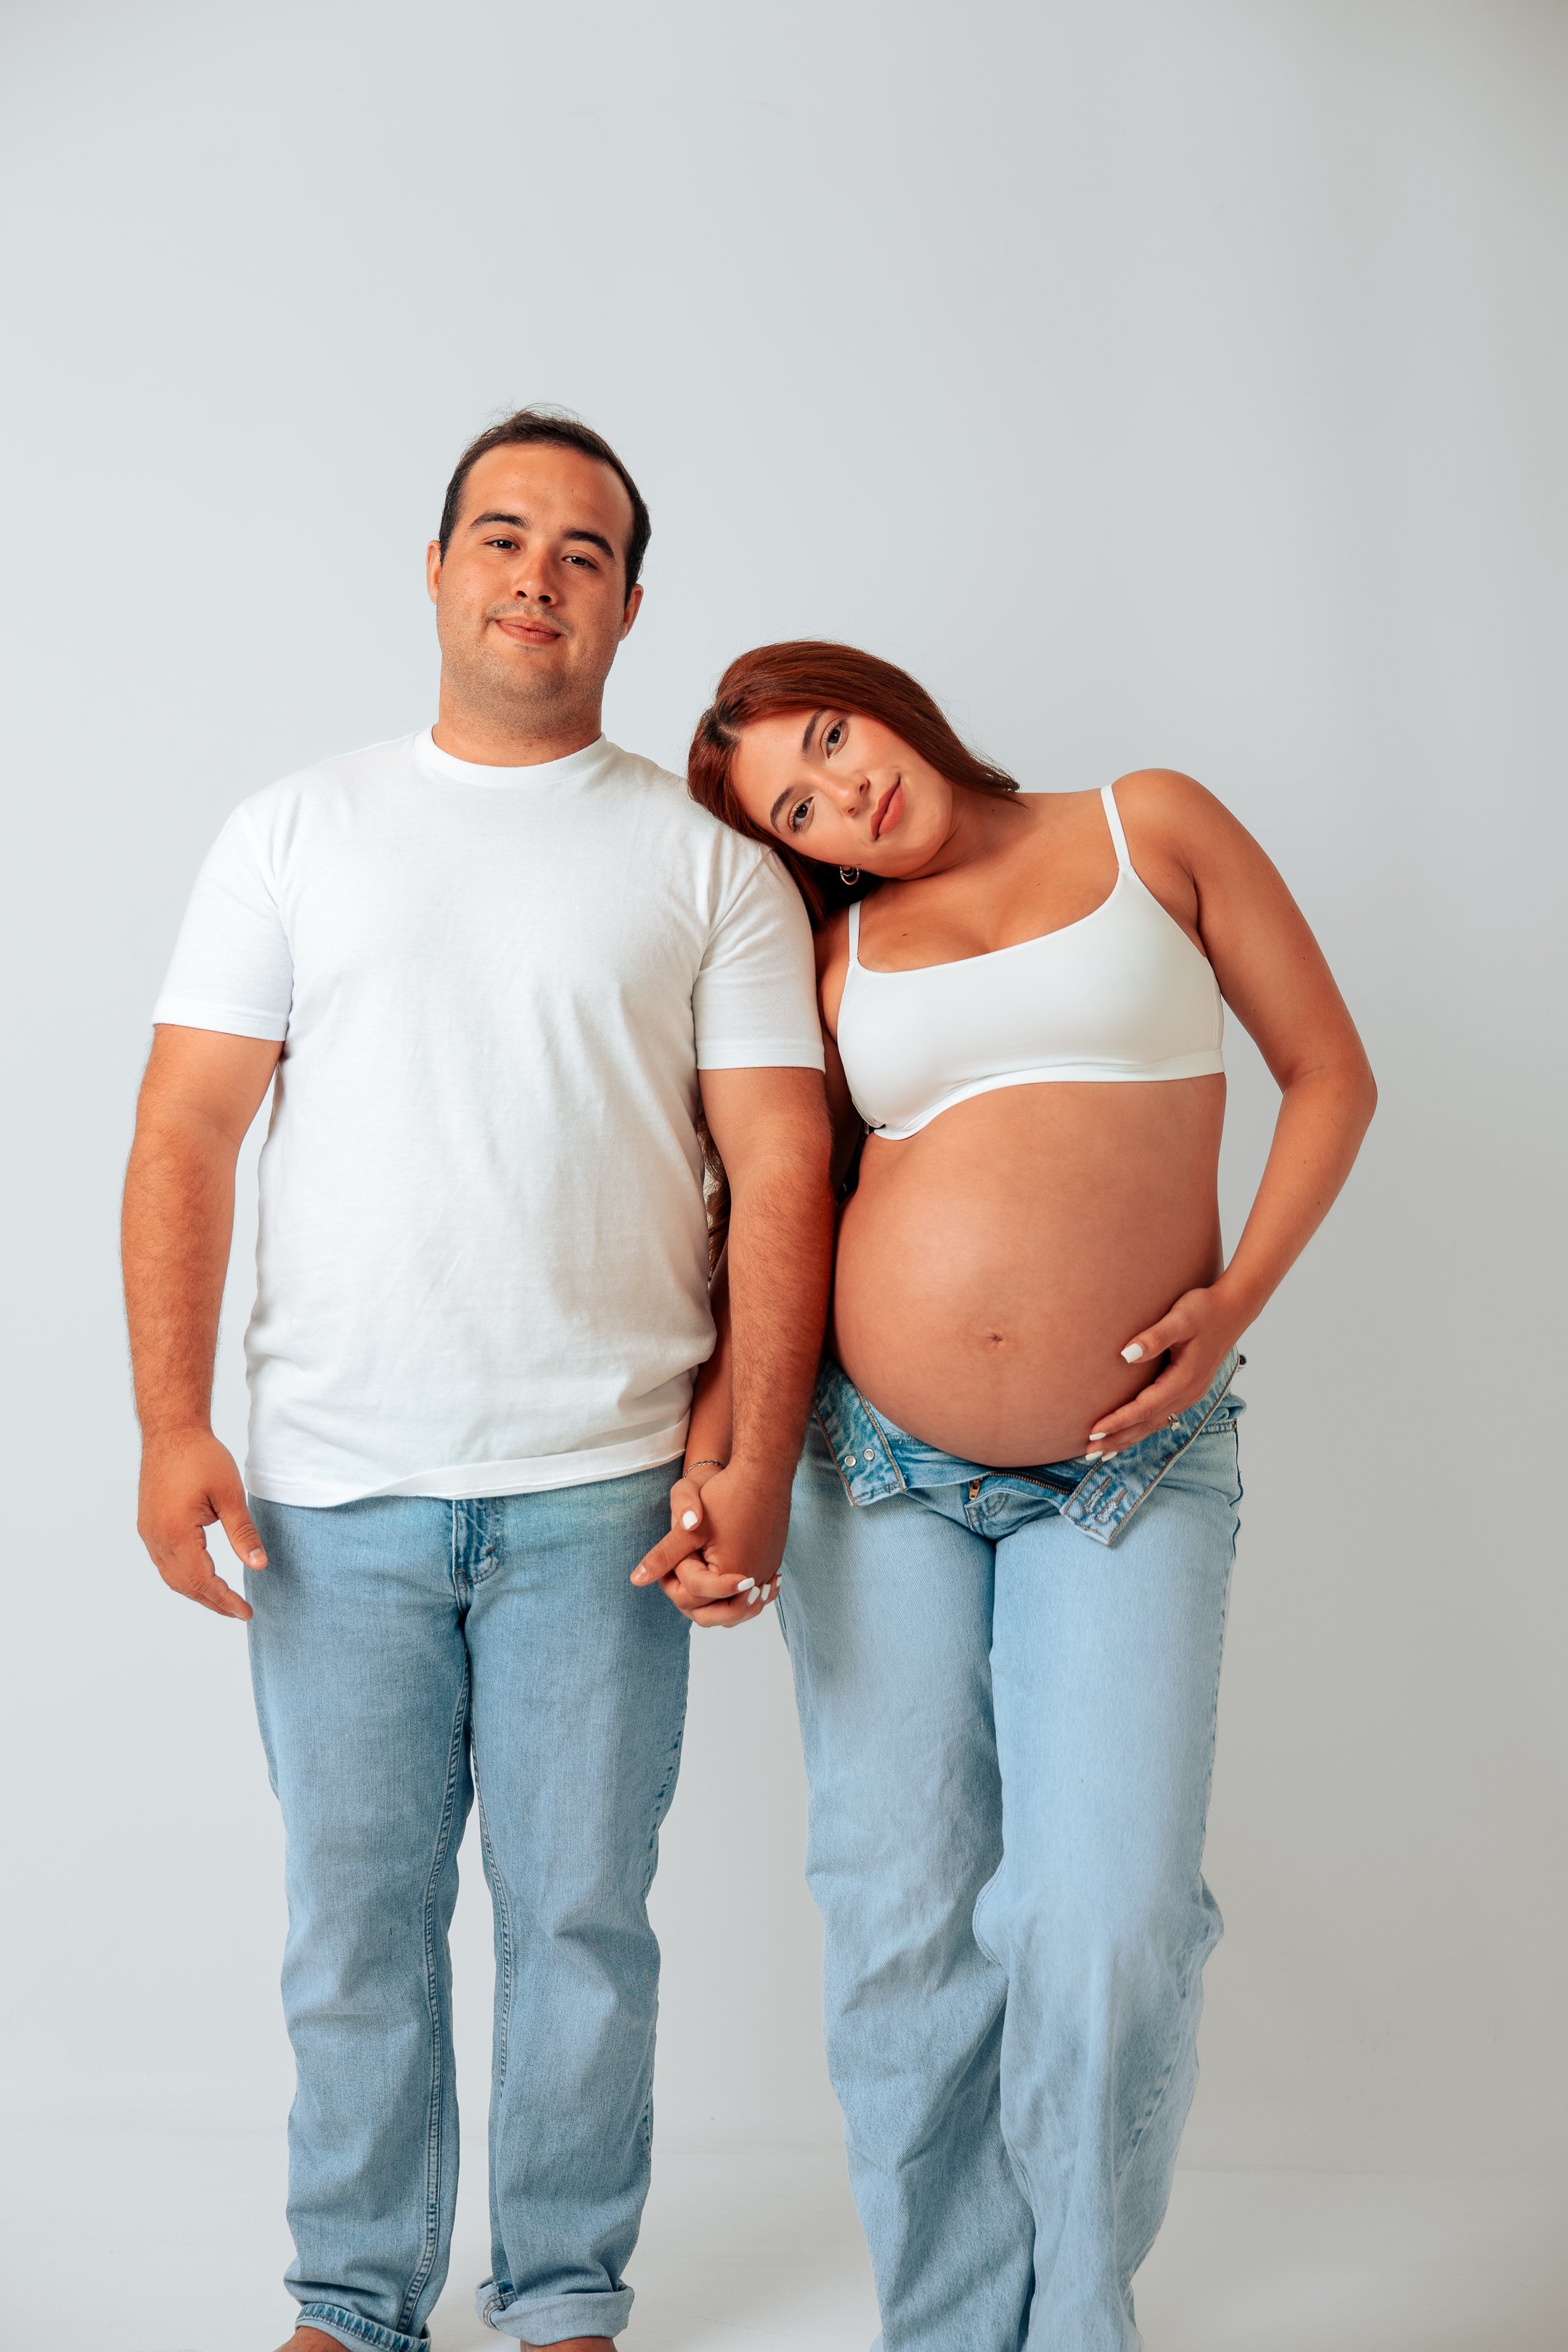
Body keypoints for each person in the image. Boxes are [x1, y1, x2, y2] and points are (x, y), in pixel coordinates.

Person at [121, 422, 833, 2352]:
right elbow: (190, 1128)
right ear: (432, 571)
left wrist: (756, 1452)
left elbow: (784, 1169)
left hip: (605, 1498)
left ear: (625, 604)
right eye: (502, 537)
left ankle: (568, 2299)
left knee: (582, 1934)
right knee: (355, 1943)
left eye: (585, 551)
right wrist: (172, 1419)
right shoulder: (293, 831)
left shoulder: (709, 873)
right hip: (330, 1497)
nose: (539, 572)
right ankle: (352, 2308)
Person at [635, 641, 1376, 2351]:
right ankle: (955, 2328)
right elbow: (772, 1217)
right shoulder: (828, 958)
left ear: (879, 696)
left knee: (1103, 1918)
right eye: (799, 807)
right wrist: (720, 1458)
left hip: (1131, 1471)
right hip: (874, 1472)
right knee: (902, 1924)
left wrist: (1233, 1303)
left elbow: (1329, 1072)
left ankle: (1078, 2307)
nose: (844, 791)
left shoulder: (1150, 824)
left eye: (831, 736)